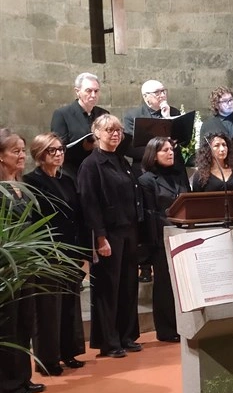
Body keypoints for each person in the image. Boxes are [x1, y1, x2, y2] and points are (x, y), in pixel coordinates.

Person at [77, 114, 144, 359]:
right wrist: (100, 238)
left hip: (128, 230)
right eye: (109, 130)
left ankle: (126, 336)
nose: (115, 134)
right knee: (108, 288)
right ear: (96, 134)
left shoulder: (121, 160)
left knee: (128, 285)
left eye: (118, 131)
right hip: (108, 235)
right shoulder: (90, 165)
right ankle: (109, 341)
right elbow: (90, 204)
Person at [23, 134, 87, 377]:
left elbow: (76, 216)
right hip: (47, 252)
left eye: (61, 149)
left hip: (70, 250)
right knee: (48, 309)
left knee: (69, 305)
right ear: (40, 154)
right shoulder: (31, 182)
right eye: (52, 151)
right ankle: (47, 360)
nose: (59, 154)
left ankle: (67, 352)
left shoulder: (67, 180)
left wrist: (81, 249)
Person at [0, 130, 47, 393]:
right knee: (8, 324)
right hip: (8, 266)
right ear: (0, 157)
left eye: (22, 150)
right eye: (14, 151)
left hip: (27, 264)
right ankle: (8, 385)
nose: (21, 156)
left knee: (25, 322)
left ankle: (23, 378)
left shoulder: (22, 186)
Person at [122, 79, 182, 283]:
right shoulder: (133, 115)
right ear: (146, 96)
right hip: (145, 171)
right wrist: (155, 149)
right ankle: (145, 265)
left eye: (164, 91)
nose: (162, 95)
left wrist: (169, 119)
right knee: (146, 217)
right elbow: (129, 147)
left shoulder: (172, 110)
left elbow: (181, 141)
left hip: (172, 170)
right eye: (157, 92)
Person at [138, 137, 189, 342]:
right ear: (153, 154)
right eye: (165, 150)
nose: (170, 153)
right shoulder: (146, 180)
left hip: (184, 235)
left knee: (183, 284)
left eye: (171, 149)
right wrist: (172, 228)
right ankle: (167, 329)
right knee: (165, 286)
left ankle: (184, 325)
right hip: (162, 238)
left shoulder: (179, 176)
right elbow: (151, 213)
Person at [50, 72, 109, 178]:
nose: (93, 95)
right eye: (88, 91)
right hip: (75, 171)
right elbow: (58, 148)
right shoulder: (62, 114)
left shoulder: (103, 114)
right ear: (77, 92)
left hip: (101, 169)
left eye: (96, 91)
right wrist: (85, 147)